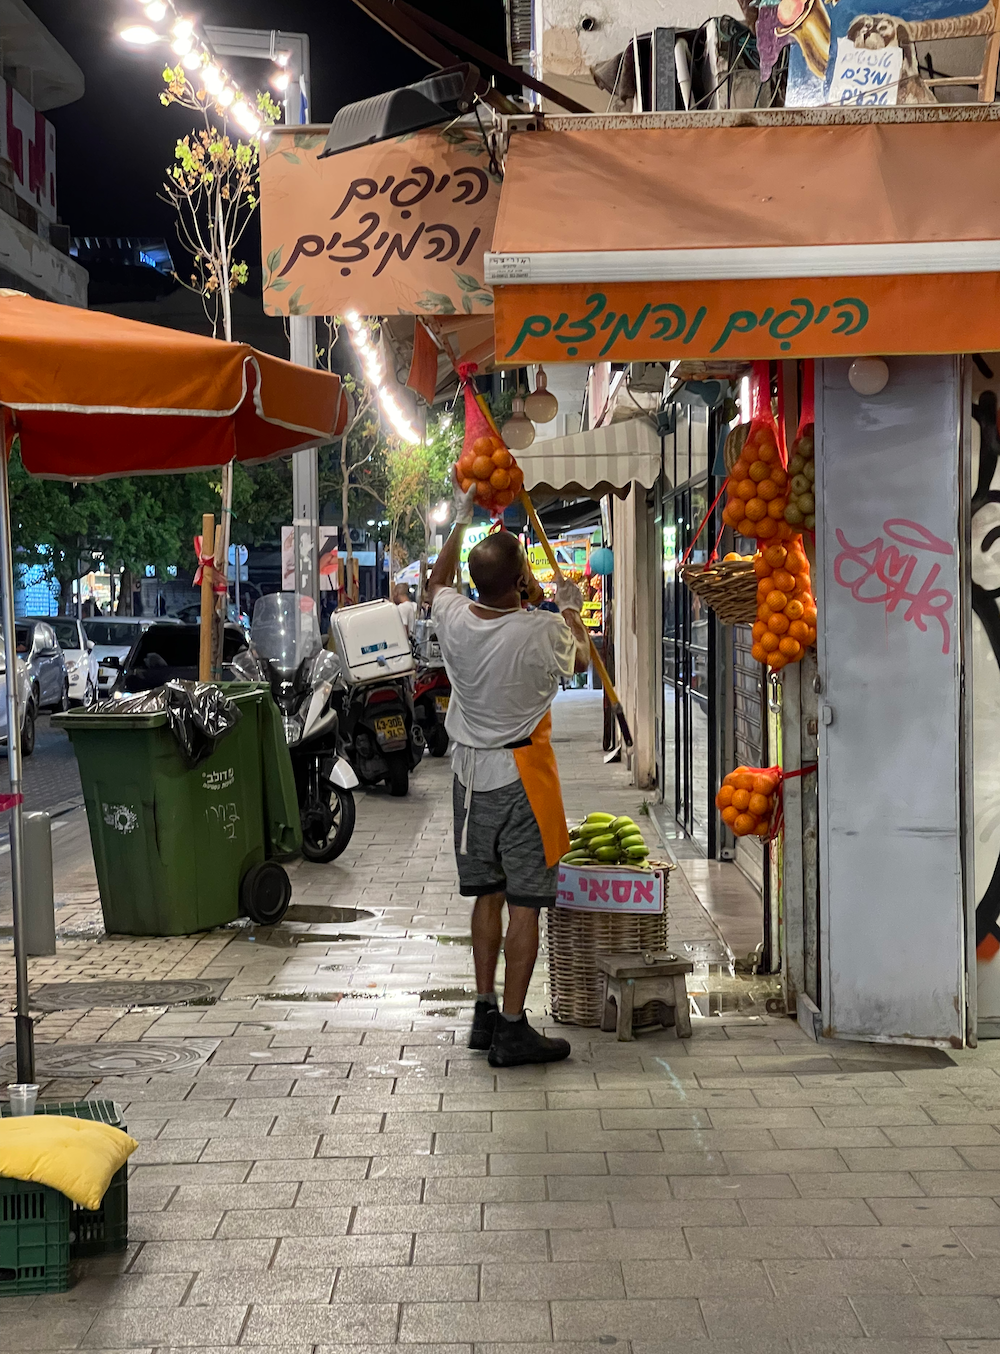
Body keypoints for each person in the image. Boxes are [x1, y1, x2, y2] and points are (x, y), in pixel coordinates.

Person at [427, 476, 590, 1067]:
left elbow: (437, 581)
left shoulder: (453, 617)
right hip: (522, 777)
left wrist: (464, 514)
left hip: (468, 780)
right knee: (525, 903)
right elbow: (578, 655)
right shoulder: (541, 630)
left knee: (486, 894)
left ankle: (483, 1009)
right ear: (521, 581)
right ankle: (515, 1029)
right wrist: (569, 607)